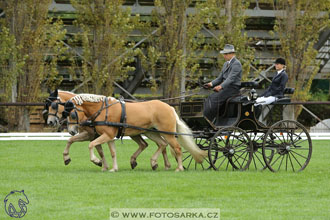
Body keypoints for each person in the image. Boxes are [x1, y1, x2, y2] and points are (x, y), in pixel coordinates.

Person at [203, 44, 242, 122]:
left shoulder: (236, 64)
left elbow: (230, 79)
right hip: (225, 87)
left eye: (226, 54)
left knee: (215, 99)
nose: (224, 56)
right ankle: (208, 117)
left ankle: (209, 119)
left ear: (232, 54)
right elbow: (220, 78)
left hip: (232, 88)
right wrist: (211, 84)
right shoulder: (225, 64)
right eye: (224, 54)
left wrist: (220, 86)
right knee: (210, 98)